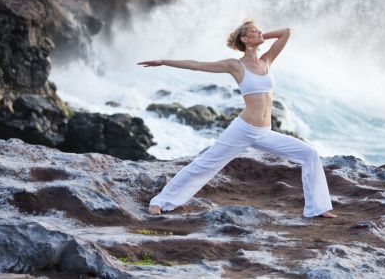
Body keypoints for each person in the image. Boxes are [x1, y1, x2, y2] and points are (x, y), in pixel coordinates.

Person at [137, 19, 335, 218]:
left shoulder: (267, 60)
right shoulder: (236, 66)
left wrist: (258, 38)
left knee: (309, 153)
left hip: (264, 132)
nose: (260, 32)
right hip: (243, 129)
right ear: (244, 38)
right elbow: (197, 65)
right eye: (254, 31)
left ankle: (317, 208)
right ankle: (160, 201)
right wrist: (163, 62)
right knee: (205, 164)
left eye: (259, 30)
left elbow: (286, 32)